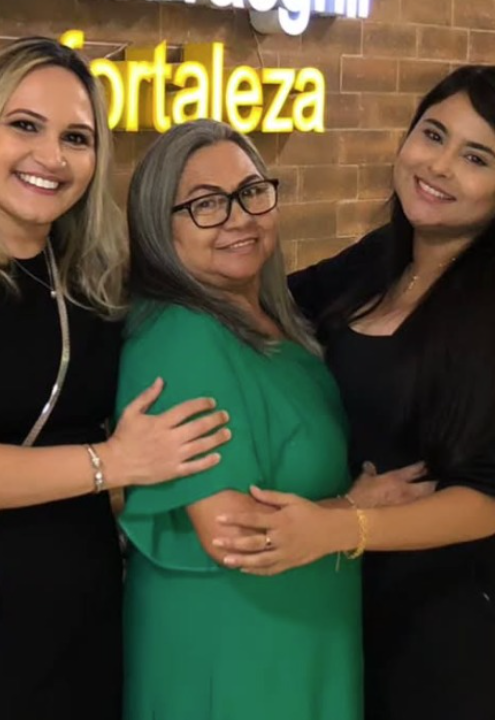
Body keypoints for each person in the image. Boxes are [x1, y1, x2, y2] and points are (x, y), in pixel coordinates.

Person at [0, 38, 230, 720]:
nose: (52, 157)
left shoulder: (91, 271)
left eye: (77, 137)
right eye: (24, 125)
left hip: (77, 613)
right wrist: (113, 463)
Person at [214, 65, 495, 720]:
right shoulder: (385, 258)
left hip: (459, 614)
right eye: (433, 134)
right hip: (358, 587)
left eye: (476, 158)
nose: (439, 166)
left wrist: (338, 525)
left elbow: (489, 502)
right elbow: (275, 310)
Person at [116, 119, 363, 720]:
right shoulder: (182, 337)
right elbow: (235, 535)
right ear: (158, 226)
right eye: (205, 204)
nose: (239, 218)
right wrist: (360, 512)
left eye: (252, 191)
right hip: (233, 645)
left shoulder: (275, 321)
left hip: (298, 630)